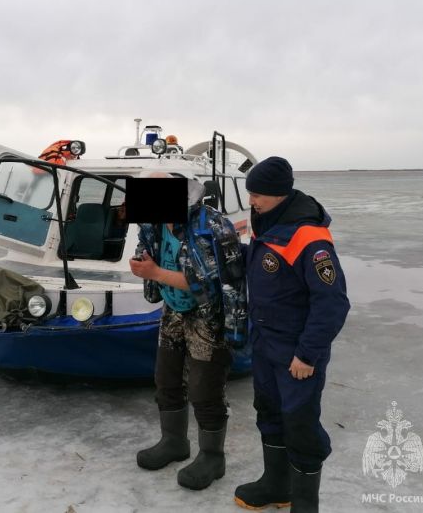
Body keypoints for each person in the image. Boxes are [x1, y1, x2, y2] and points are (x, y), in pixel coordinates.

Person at [234, 157, 350, 512]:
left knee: (300, 425)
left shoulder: (310, 239)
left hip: (297, 353)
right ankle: (276, 485)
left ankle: (304, 503)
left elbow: (333, 304)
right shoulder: (266, 224)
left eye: (257, 194)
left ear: (278, 194)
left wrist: (308, 354)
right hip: (266, 344)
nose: (251, 200)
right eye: (250, 192)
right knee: (268, 412)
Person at [129, 173, 246, 491]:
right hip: (173, 311)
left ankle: (212, 457)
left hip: (208, 315)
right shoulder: (153, 225)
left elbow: (208, 286)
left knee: (204, 390)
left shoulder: (210, 224)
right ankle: (174, 442)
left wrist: (154, 272)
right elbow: (150, 256)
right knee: (166, 379)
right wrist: (144, 266)